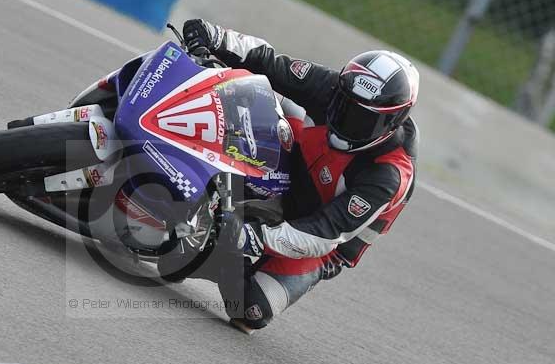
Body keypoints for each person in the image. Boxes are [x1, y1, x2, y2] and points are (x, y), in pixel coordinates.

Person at [180, 19, 420, 333]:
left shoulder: (387, 174)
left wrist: (251, 237)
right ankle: (193, 162)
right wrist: (215, 36)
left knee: (249, 309)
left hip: (321, 235)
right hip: (296, 161)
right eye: (345, 105)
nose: (346, 120)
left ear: (391, 123)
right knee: (255, 87)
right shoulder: (333, 87)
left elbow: (324, 233)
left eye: (363, 119)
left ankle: (216, 252)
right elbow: (269, 61)